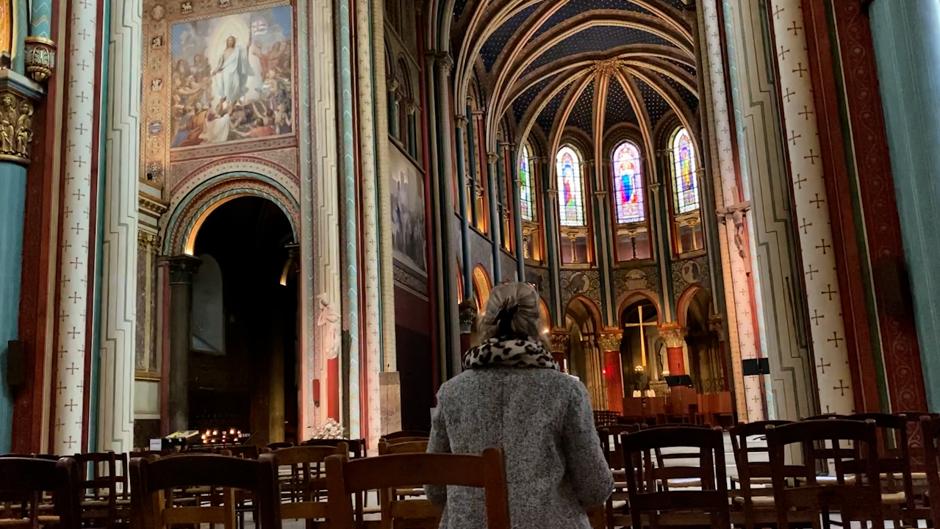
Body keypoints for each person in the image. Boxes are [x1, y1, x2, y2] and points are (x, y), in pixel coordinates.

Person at [426, 282, 613, 529]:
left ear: (486, 324)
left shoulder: (451, 393)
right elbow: (595, 488)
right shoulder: (566, 392)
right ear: (536, 325)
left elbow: (435, 489)